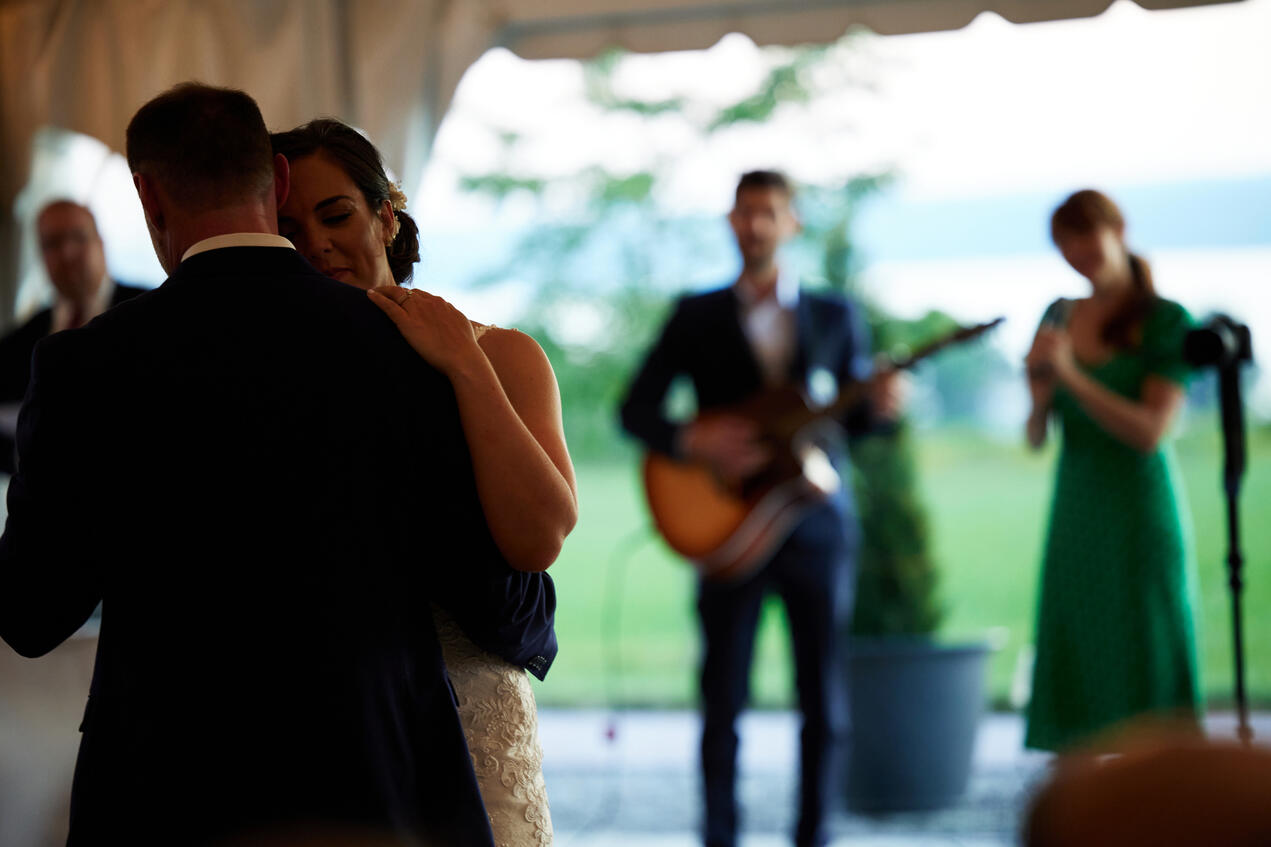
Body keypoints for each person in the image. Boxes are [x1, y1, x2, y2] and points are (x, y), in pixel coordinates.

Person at [0, 82, 556, 847]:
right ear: (278, 183)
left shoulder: (82, 366)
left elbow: (32, 613)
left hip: (164, 786)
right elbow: (485, 573)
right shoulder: (404, 347)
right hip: (375, 774)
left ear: (146, 193)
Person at [271, 117, 575, 847]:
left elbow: (538, 536)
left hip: (470, 702)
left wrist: (462, 365)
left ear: (385, 215)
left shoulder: (499, 354)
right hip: (328, 722)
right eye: (288, 227)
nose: (314, 243)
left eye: (335, 214)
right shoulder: (275, 377)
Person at [619, 170, 902, 847]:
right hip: (726, 524)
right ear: (729, 221)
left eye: (768, 212)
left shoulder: (835, 315)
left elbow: (850, 424)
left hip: (816, 524)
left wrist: (882, 413)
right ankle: (718, 836)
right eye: (744, 212)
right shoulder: (694, 314)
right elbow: (634, 409)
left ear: (791, 223)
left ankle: (815, 834)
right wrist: (694, 435)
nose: (755, 225)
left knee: (822, 701)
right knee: (721, 698)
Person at [1023, 188, 1202, 753]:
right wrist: (1037, 392)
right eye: (1065, 242)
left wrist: (1072, 375)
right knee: (1077, 638)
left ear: (1117, 230)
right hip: (1076, 504)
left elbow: (1151, 433)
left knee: (1147, 638)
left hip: (1138, 506)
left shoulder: (1166, 319)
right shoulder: (1058, 313)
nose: (1078, 251)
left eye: (1086, 235)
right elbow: (1034, 438)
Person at [0, 201, 147, 473]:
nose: (67, 253)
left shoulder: (150, 312)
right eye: (53, 243)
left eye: (77, 237)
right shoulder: (19, 342)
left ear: (101, 243)